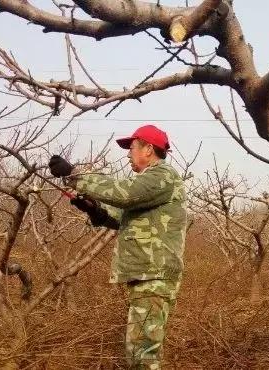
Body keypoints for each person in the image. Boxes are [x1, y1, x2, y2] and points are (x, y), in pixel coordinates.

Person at [48, 124, 187, 369]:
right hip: (147, 275)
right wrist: (95, 209)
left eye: (132, 147)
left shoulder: (163, 175)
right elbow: (120, 216)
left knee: (143, 355)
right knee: (139, 353)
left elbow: (125, 195)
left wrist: (74, 175)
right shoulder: (150, 185)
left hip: (153, 276)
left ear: (148, 149)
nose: (127, 154)